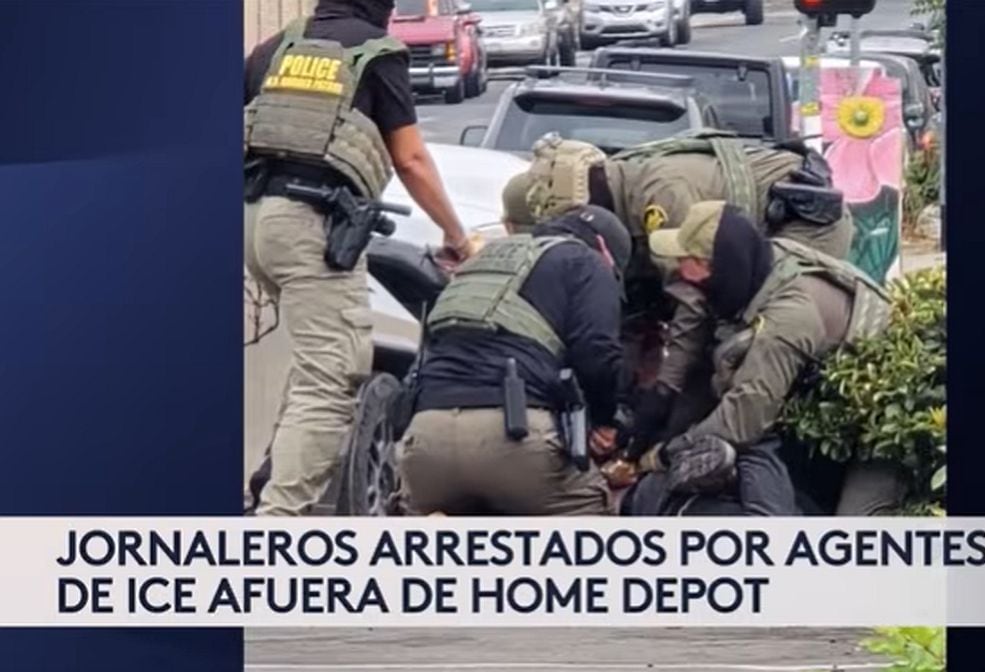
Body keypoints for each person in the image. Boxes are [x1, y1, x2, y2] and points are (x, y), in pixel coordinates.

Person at [242, 0, 476, 516]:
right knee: (332, 378)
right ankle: (276, 525)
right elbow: (411, 158)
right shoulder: (377, 53)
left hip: (256, 220)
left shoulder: (277, 45)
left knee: (311, 370)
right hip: (312, 226)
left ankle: (267, 486)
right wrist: (457, 235)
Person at [514, 132, 856, 462]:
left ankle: (757, 443)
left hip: (806, 224)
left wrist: (664, 392)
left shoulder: (661, 198)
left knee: (750, 346)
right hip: (749, 235)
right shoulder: (618, 182)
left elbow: (692, 303)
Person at [614, 200, 895, 516]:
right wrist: (658, 407)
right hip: (818, 403)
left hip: (884, 422)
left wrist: (663, 455)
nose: (680, 268)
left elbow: (742, 421)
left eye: (689, 260)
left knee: (854, 537)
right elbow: (696, 339)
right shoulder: (757, 267)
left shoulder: (787, 318)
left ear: (719, 268)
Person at [395, 206, 632, 515]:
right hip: (514, 435)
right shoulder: (586, 261)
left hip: (425, 439)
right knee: (591, 517)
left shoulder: (483, 260)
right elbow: (597, 352)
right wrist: (604, 421)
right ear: (604, 248)